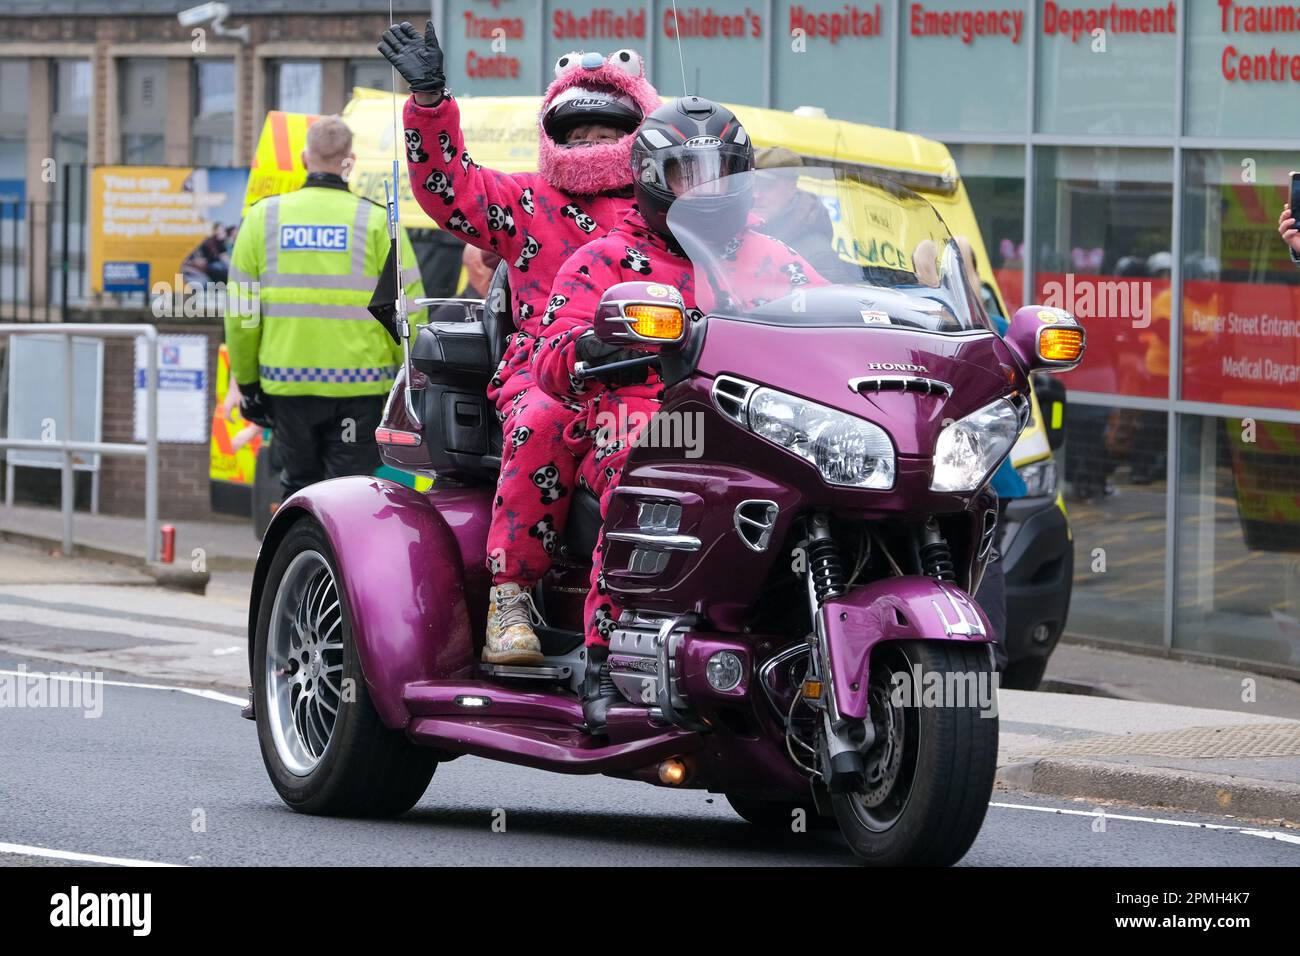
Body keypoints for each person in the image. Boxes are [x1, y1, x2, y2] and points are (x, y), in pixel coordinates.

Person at [532, 97, 824, 733]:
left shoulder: (774, 258)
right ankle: (607, 659)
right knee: (646, 477)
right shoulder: (603, 259)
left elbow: (830, 323)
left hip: (754, 423)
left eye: (723, 173)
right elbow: (548, 359)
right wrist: (593, 343)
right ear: (652, 179)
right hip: (633, 417)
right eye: (690, 174)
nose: (708, 189)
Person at [380, 20, 661, 666]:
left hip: (649, 382)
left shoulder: (664, 210)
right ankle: (510, 599)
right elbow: (449, 189)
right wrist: (430, 105)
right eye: (578, 133)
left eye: (607, 132)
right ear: (554, 137)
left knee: (681, 445)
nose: (591, 144)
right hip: (547, 371)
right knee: (541, 420)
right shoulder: (529, 201)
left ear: (637, 135)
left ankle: (651, 614)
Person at [223, 114, 426, 502]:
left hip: (287, 386)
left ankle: (298, 560)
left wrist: (248, 385)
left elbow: (241, 312)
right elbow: (410, 311)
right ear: (349, 162)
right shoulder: (379, 222)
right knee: (350, 499)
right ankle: (342, 564)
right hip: (361, 388)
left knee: (298, 491)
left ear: (304, 158)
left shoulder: (262, 219)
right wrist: (408, 384)